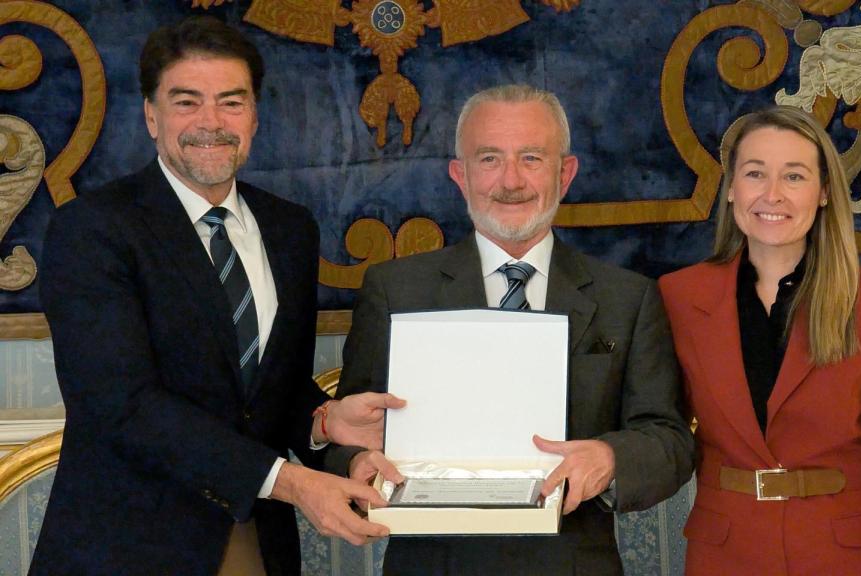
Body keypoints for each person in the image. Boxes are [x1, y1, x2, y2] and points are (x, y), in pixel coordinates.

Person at [31, 16, 402, 576]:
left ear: (254, 115)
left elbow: (266, 387)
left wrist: (325, 422)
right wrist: (293, 481)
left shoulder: (289, 228)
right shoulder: (92, 230)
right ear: (152, 116)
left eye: (231, 102)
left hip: (257, 541)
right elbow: (124, 406)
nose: (211, 123)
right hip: (128, 548)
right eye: (187, 102)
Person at [326, 84, 694, 575]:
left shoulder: (627, 298)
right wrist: (353, 463)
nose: (511, 181)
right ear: (460, 175)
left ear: (565, 173)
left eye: (532, 158)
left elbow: (668, 440)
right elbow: (348, 435)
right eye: (490, 159)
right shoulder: (395, 290)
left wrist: (610, 457)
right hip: (433, 567)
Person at [659, 105, 861, 575]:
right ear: (731, 190)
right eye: (754, 173)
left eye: (794, 176)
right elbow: (659, 432)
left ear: (824, 192)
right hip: (724, 556)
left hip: (843, 557)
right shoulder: (678, 298)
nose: (772, 194)